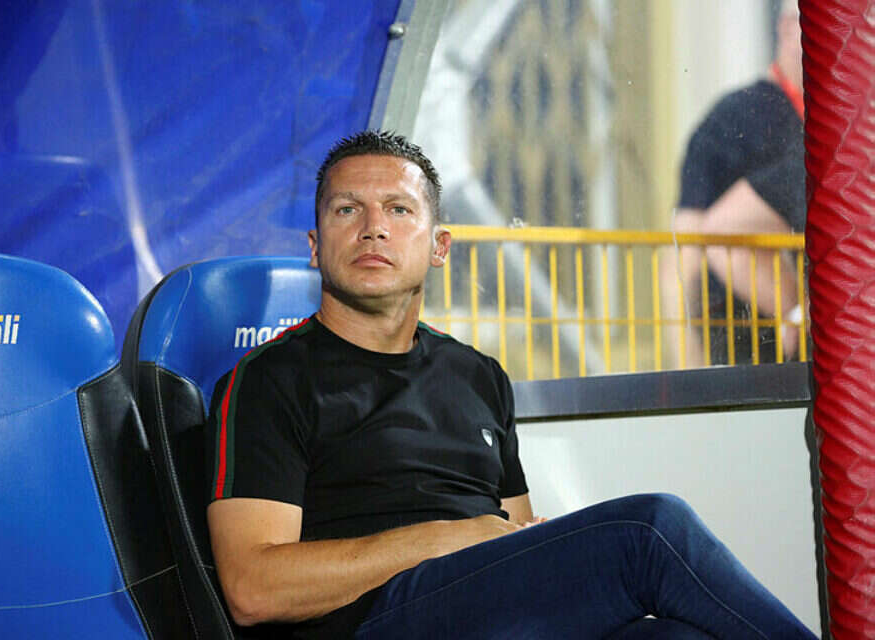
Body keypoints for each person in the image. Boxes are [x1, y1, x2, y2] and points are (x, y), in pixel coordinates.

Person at [206, 130, 817, 639]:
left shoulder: (476, 375)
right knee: (649, 530)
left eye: (398, 209)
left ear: (439, 246)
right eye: (347, 210)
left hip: (488, 609)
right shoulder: (268, 381)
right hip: (373, 619)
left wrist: (499, 541)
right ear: (316, 248)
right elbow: (253, 590)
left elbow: (516, 537)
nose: (373, 229)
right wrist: (446, 539)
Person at [664, 0, 805, 367]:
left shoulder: (833, 125)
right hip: (744, 346)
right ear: (787, 29)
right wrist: (689, 374)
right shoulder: (733, 120)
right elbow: (683, 256)